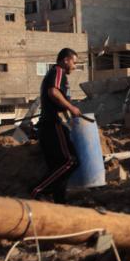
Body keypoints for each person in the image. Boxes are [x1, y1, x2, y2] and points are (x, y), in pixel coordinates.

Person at [32, 48, 82, 204]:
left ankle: (59, 201)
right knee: (71, 161)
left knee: (57, 166)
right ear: (66, 60)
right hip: (53, 125)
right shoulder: (58, 72)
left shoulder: (55, 74)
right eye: (74, 62)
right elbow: (53, 92)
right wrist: (71, 107)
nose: (74, 66)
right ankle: (38, 190)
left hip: (47, 126)